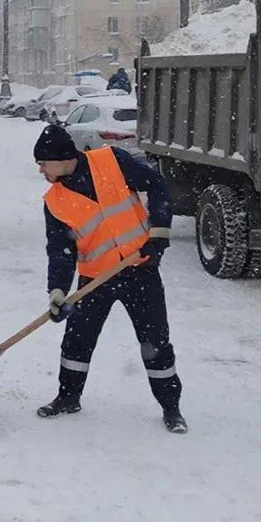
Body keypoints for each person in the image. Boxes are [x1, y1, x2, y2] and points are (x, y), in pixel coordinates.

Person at [33, 124, 186, 433]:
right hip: (95, 279)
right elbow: (60, 250)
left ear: (63, 158)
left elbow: (156, 184)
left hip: (140, 268)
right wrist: (58, 291)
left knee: (155, 342)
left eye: (43, 163)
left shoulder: (111, 160)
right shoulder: (54, 201)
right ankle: (68, 398)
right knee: (77, 341)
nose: (41, 170)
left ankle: (171, 408)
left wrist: (158, 233)